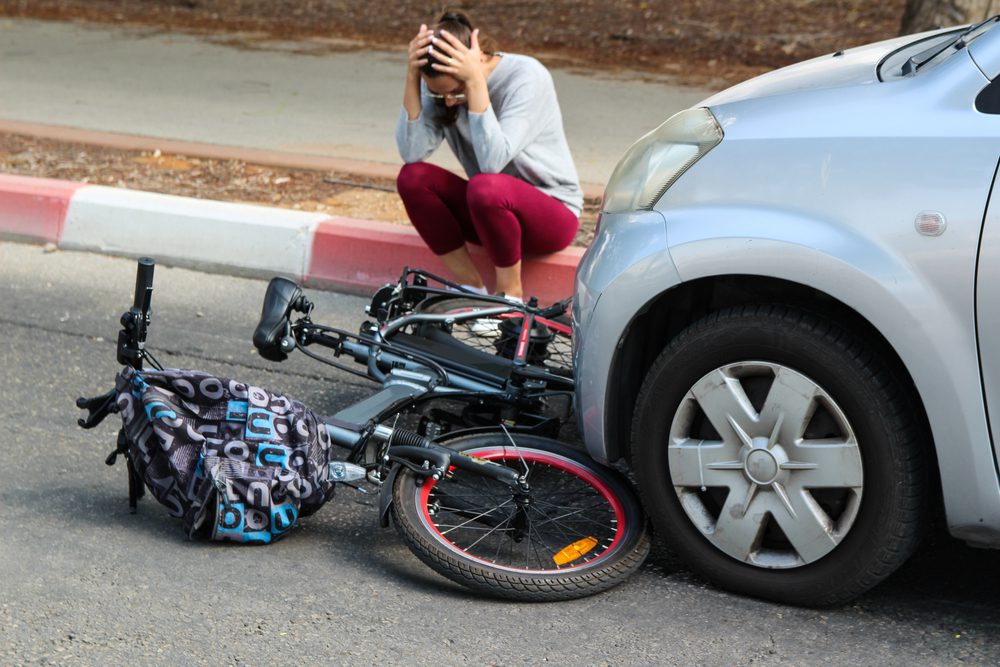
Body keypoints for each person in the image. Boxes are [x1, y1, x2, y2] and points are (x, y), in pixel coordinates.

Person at [395, 10, 583, 302]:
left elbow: (493, 161)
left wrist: (474, 85)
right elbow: (412, 151)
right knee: (412, 178)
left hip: (551, 215)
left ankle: (509, 298)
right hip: (488, 216)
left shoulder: (526, 77)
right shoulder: (440, 83)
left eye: (455, 91)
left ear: (479, 56)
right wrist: (412, 76)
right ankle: (470, 289)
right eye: (438, 94)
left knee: (486, 185)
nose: (447, 101)